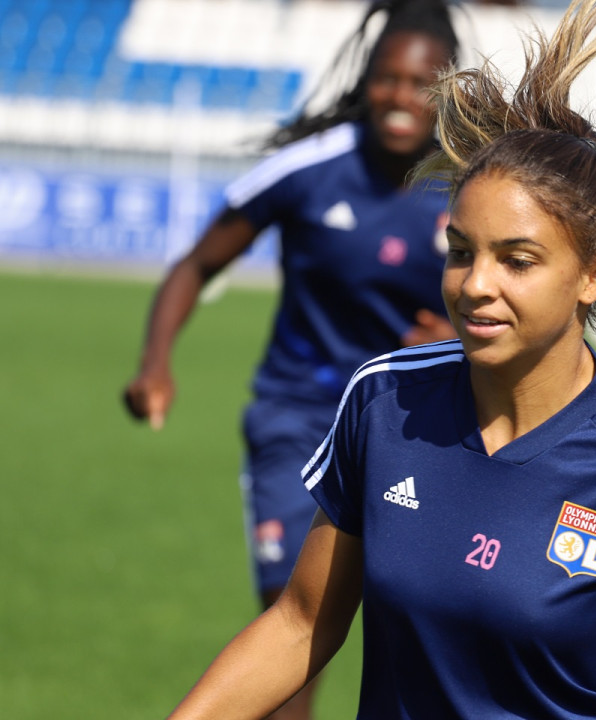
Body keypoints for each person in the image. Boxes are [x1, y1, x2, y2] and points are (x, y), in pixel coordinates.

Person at [164, 1, 596, 718]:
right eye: (462, 253)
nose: (476, 285)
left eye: (517, 260)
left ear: (595, 275)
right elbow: (300, 623)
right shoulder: (382, 403)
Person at [123, 0, 460, 717]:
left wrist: (456, 349)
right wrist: (156, 362)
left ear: (449, 92)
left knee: (433, 636)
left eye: (422, 85)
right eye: (388, 78)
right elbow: (194, 265)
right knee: (292, 621)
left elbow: (526, 312)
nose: (401, 98)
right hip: (299, 417)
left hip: (419, 431)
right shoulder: (310, 169)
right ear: (366, 79)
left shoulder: (472, 187)